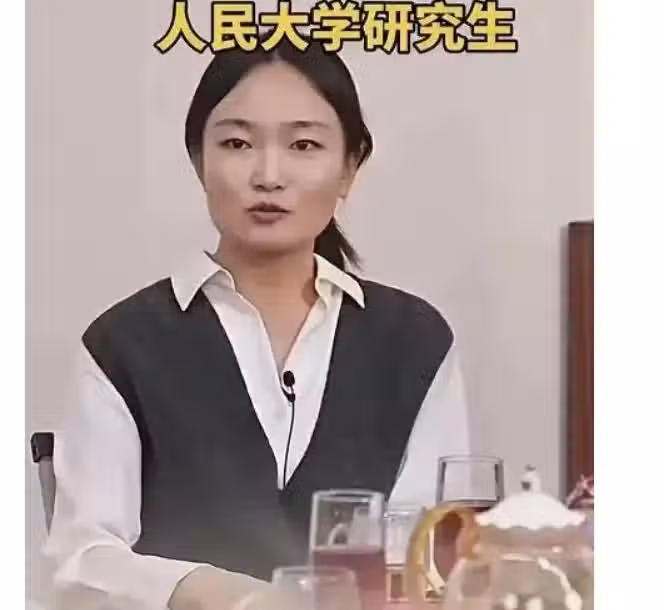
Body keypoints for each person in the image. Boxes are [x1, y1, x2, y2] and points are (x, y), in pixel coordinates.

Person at [43, 33, 470, 610]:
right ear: (199, 161)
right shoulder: (123, 345)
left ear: (350, 168)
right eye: (238, 143)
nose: (269, 175)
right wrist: (233, 596)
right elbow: (82, 558)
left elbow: (426, 547)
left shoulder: (414, 341)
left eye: (304, 145)